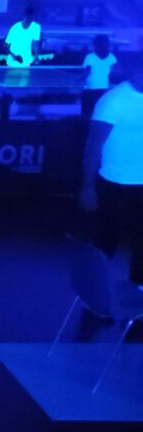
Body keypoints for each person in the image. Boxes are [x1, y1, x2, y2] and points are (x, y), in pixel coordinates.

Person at [79, 64, 143, 285]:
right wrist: (88, 188)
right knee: (106, 239)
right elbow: (93, 147)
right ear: (136, 71)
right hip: (115, 184)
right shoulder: (113, 101)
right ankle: (94, 288)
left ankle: (138, 291)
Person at [81, 34, 119, 121]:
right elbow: (115, 72)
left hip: (90, 90)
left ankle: (85, 126)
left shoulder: (90, 57)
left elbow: (86, 72)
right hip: (104, 90)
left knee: (88, 113)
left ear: (95, 44)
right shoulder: (111, 57)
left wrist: (79, 80)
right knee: (101, 113)